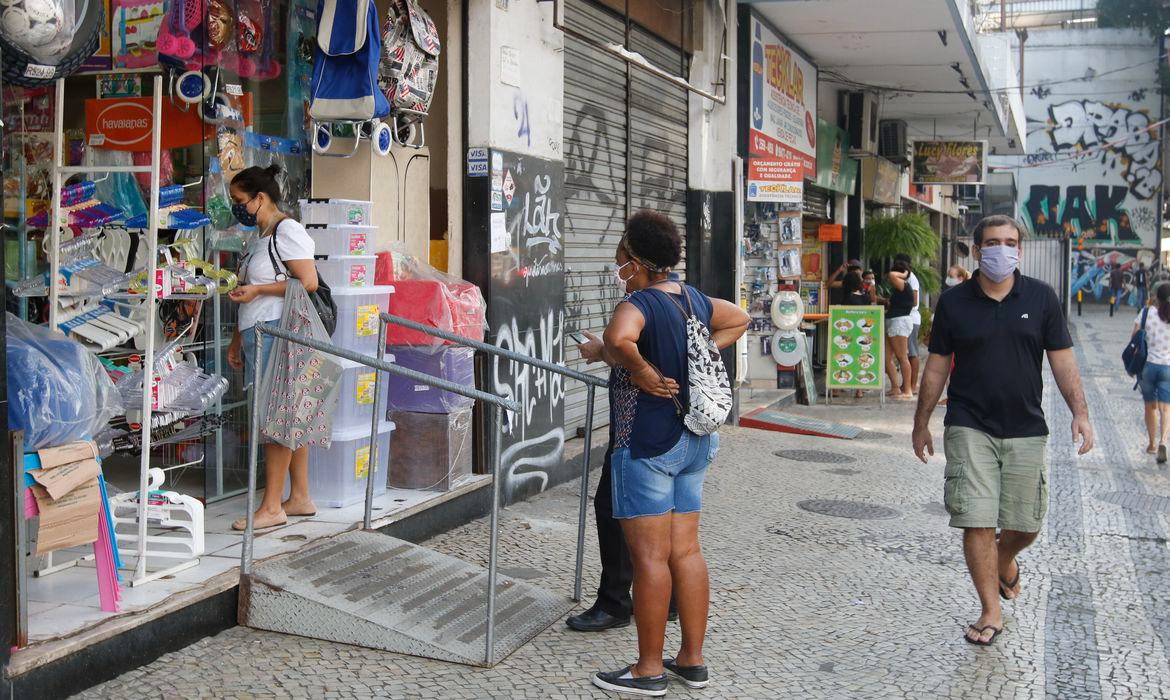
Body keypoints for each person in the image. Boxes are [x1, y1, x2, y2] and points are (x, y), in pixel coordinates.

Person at [913, 214, 1094, 646]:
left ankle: (1005, 557)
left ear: (1020, 249)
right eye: (992, 242)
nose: (1001, 250)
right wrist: (921, 422)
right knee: (975, 519)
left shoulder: (1043, 298)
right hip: (969, 423)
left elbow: (1063, 361)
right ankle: (990, 611)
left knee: (1027, 522)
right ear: (977, 251)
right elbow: (937, 366)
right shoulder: (954, 303)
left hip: (1026, 426)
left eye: (1010, 242)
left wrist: (1081, 414)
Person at [590, 211, 748, 697]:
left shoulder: (636, 301)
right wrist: (692, 353)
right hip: (695, 443)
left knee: (650, 559)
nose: (617, 262)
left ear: (635, 260)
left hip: (647, 444)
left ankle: (648, 670)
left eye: (620, 254)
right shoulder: (694, 298)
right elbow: (739, 318)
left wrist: (638, 369)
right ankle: (692, 661)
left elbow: (621, 337)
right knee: (686, 551)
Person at [226, 165, 320, 531]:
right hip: (257, 332)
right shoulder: (261, 236)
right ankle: (299, 497)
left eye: (239, 201)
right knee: (287, 414)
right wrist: (237, 337)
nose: (236, 207)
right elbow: (248, 291)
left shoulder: (287, 231)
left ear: (260, 198)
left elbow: (307, 281)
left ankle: (271, 507)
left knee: (275, 418)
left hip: (279, 332)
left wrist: (259, 290)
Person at [1136, 283, 1170, 463]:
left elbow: (1135, 337)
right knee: (1166, 408)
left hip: (1148, 366)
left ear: (1157, 296)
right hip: (1168, 368)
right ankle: (1164, 441)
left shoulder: (1146, 313)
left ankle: (1152, 444)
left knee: (1150, 406)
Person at [884, 260, 916, 399]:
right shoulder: (900, 288)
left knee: (902, 356)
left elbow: (891, 275)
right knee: (886, 358)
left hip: (899, 322)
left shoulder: (904, 285)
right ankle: (895, 387)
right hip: (893, 321)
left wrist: (904, 274)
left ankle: (907, 390)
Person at [894, 253, 923, 393]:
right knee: (907, 353)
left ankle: (912, 385)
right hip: (907, 317)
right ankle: (907, 384)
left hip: (910, 318)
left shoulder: (911, 278)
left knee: (912, 353)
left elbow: (915, 300)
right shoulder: (904, 278)